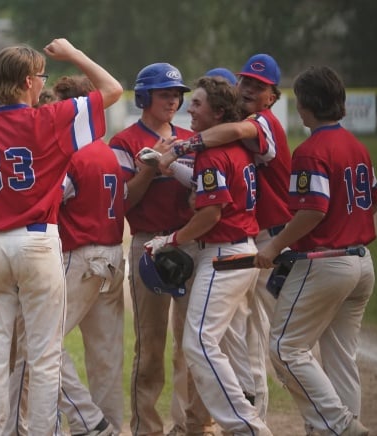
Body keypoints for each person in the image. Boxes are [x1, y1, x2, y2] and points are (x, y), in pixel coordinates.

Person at [0, 39, 122, 435]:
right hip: (37, 242)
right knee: (44, 357)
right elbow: (112, 89)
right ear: (29, 82)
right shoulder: (52, 119)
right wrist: (75, 54)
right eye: (41, 76)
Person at [146, 55, 292, 419]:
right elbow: (208, 183)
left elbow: (212, 202)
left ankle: (252, 421)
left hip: (264, 240)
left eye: (258, 86)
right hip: (248, 239)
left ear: (273, 96)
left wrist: (180, 149)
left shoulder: (259, 126)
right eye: (245, 82)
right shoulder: (231, 143)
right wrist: (167, 163)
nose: (247, 89)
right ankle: (248, 417)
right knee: (234, 338)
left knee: (261, 341)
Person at [254, 65, 377, 436]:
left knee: (284, 347)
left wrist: (276, 245)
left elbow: (314, 208)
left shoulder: (311, 151)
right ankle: (337, 427)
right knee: (341, 357)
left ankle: (341, 425)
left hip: (326, 263)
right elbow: (373, 202)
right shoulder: (357, 145)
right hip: (362, 264)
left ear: (304, 107)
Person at [109, 62, 213, 436]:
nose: (173, 100)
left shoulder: (191, 137)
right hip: (148, 244)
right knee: (150, 345)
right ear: (143, 98)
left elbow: (203, 196)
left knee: (193, 343)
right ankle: (147, 428)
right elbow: (124, 202)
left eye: (176, 94)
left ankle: (190, 426)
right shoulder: (123, 142)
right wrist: (152, 165)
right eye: (164, 93)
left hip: (190, 242)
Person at [54, 74, 125, 435]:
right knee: (106, 355)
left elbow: (49, 203)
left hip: (82, 256)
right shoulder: (106, 149)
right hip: (113, 254)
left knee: (42, 342)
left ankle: (90, 423)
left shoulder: (72, 153)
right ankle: (111, 424)